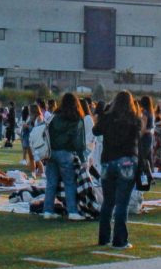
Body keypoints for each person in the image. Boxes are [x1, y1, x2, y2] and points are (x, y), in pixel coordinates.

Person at [94, 90, 142, 248]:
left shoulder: (107, 118)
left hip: (108, 161)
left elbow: (96, 130)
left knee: (108, 202)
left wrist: (104, 114)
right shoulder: (133, 118)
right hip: (127, 160)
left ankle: (104, 238)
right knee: (122, 202)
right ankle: (119, 240)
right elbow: (138, 137)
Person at [44, 92, 87, 221]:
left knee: (51, 183)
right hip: (66, 153)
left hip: (51, 152)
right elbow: (79, 142)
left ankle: (47, 210)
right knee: (69, 183)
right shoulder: (77, 118)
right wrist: (83, 159)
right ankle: (72, 211)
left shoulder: (55, 116)